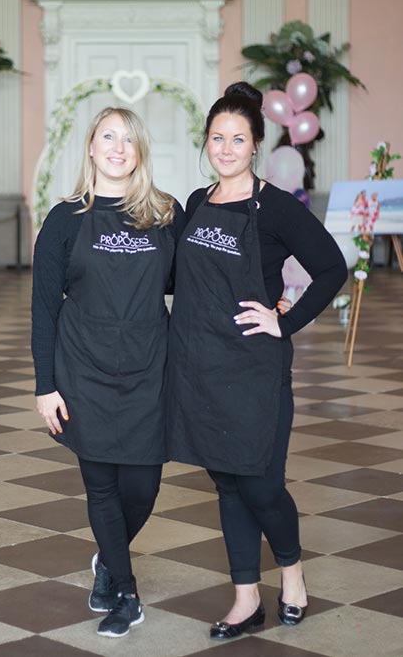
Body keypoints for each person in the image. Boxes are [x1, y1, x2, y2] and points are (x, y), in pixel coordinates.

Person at [164, 82, 347, 640]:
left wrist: (284, 319)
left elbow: (333, 268)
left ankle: (292, 575)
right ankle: (245, 598)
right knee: (226, 485)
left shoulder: (274, 208)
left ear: (256, 143)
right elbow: (174, 279)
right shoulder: (195, 203)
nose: (225, 148)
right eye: (217, 138)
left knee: (262, 484)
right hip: (198, 367)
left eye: (237, 138)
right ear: (207, 143)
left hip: (254, 370)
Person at [32, 107, 185, 638]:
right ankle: (125, 590)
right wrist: (44, 386)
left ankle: (106, 560)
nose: (118, 148)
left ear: (139, 151)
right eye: (108, 137)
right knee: (101, 488)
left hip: (150, 371)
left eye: (128, 139)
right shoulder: (64, 219)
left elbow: (194, 289)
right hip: (83, 372)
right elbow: (44, 307)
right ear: (92, 148)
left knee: (142, 487)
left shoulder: (166, 213)